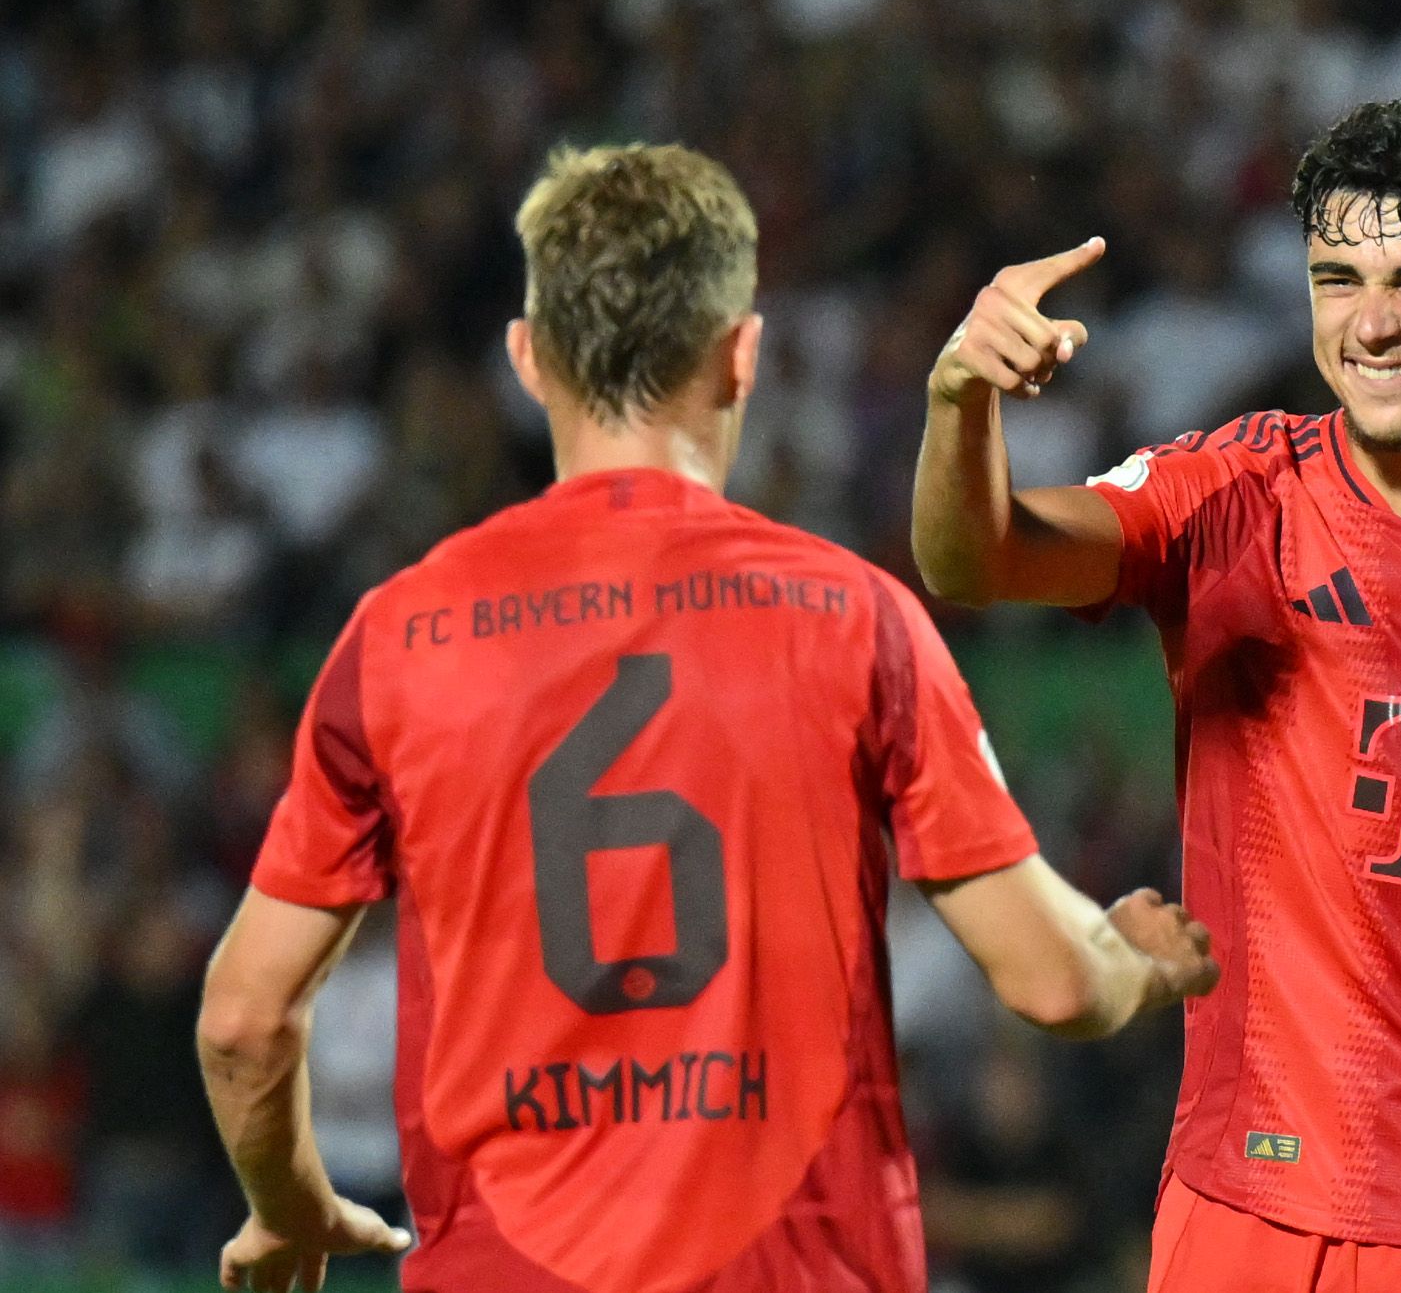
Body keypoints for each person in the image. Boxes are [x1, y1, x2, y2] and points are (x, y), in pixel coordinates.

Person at [196, 144, 1217, 1293]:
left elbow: (243, 1019)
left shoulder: (396, 636)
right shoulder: (854, 617)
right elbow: (1053, 981)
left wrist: (289, 1208)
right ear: (744, 355)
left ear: (529, 360)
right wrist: (1139, 963)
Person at [909, 98, 1401, 1293]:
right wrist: (960, 398)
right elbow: (979, 557)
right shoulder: (1230, 494)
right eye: (1339, 279)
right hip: (1255, 1203)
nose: (1372, 324)